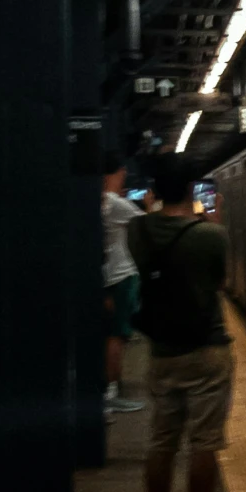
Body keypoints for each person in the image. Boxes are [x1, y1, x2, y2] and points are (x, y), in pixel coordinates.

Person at [130, 155, 234, 492]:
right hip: (207, 349)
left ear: (153, 192)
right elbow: (220, 283)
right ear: (193, 190)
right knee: (203, 442)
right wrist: (213, 218)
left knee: (162, 442)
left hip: (162, 352)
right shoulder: (211, 235)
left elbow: (145, 231)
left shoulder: (138, 230)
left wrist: (152, 208)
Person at [100, 155, 145, 417]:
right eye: (121, 175)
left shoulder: (101, 203)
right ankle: (111, 393)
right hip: (122, 275)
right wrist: (147, 204)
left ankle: (109, 390)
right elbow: (145, 221)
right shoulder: (115, 203)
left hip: (108, 276)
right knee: (118, 335)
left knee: (111, 334)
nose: (123, 179)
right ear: (111, 175)